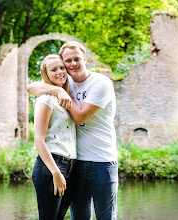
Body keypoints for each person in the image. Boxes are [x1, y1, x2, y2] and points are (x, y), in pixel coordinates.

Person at [27, 41, 118, 220]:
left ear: (84, 59)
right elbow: (30, 88)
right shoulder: (63, 84)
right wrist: (57, 90)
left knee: (106, 217)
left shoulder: (100, 83)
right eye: (67, 61)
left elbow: (80, 117)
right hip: (75, 164)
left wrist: (62, 92)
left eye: (77, 59)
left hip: (102, 160)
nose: (72, 64)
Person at [31, 54, 76, 220]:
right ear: (46, 75)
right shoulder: (46, 100)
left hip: (69, 165)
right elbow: (39, 140)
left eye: (62, 68)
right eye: (54, 69)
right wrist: (56, 173)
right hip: (51, 166)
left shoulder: (64, 99)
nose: (60, 72)